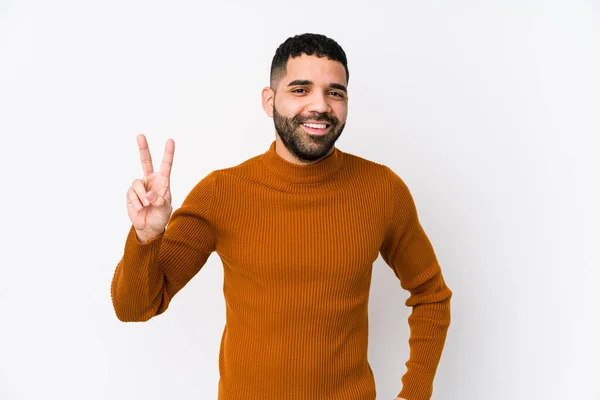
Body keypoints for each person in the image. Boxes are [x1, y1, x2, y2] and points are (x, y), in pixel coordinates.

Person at [111, 33, 452, 400]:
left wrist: (414, 394)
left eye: (335, 92)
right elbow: (134, 308)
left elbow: (431, 294)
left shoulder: (382, 189)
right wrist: (146, 238)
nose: (320, 105)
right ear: (269, 100)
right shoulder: (222, 192)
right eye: (301, 89)